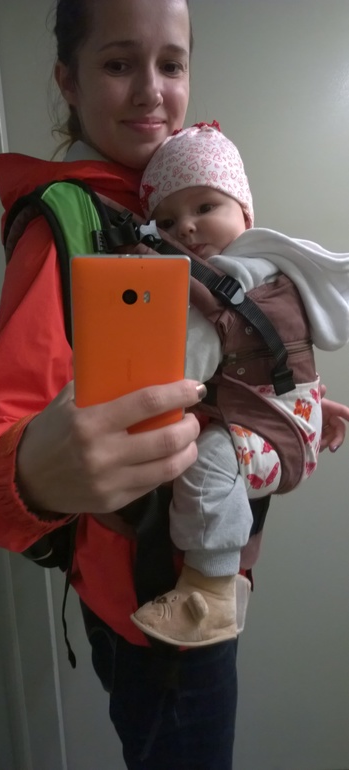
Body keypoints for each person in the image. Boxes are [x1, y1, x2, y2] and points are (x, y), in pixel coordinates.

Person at [0, 1, 349, 768]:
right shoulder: (69, 223)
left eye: (171, 64)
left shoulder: (173, 198)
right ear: (69, 80)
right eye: (119, 63)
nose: (152, 90)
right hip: (156, 615)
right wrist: (32, 475)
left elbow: (213, 355)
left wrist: (288, 400)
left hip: (193, 577)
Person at [130, 122, 349, 647]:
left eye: (205, 207)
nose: (186, 228)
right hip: (289, 422)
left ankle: (208, 594)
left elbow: (187, 364)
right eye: (167, 220)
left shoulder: (227, 283)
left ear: (244, 213)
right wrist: (312, 407)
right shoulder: (276, 269)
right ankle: (232, 578)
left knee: (205, 462)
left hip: (272, 437)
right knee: (217, 459)